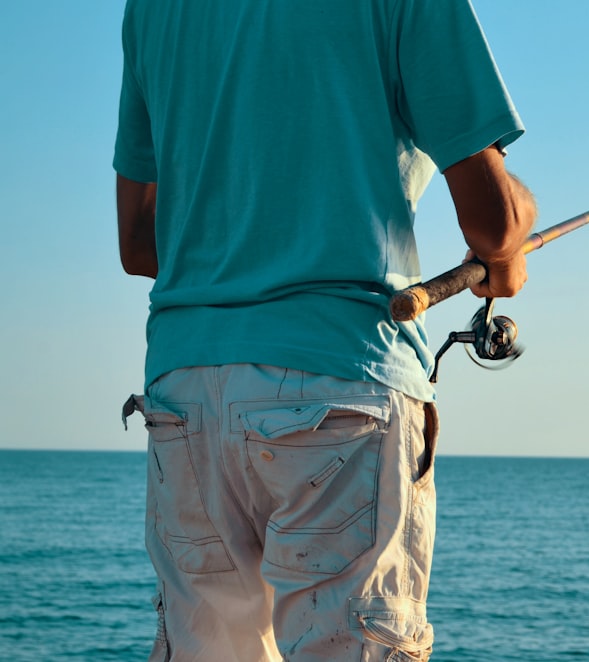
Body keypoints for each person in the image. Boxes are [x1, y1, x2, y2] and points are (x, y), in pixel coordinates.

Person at [114, 1, 536, 660]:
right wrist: (518, 225)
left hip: (184, 394)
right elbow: (495, 226)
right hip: (342, 381)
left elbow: (140, 244)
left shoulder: (150, 10)